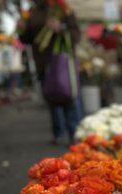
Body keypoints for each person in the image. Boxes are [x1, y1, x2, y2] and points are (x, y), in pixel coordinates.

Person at [18, 0, 81, 145]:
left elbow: (76, 35)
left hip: (63, 62)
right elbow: (28, 39)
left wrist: (60, 28)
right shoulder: (34, 10)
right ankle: (58, 133)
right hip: (43, 62)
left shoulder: (64, 9)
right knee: (51, 96)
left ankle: (75, 133)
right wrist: (22, 30)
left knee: (69, 95)